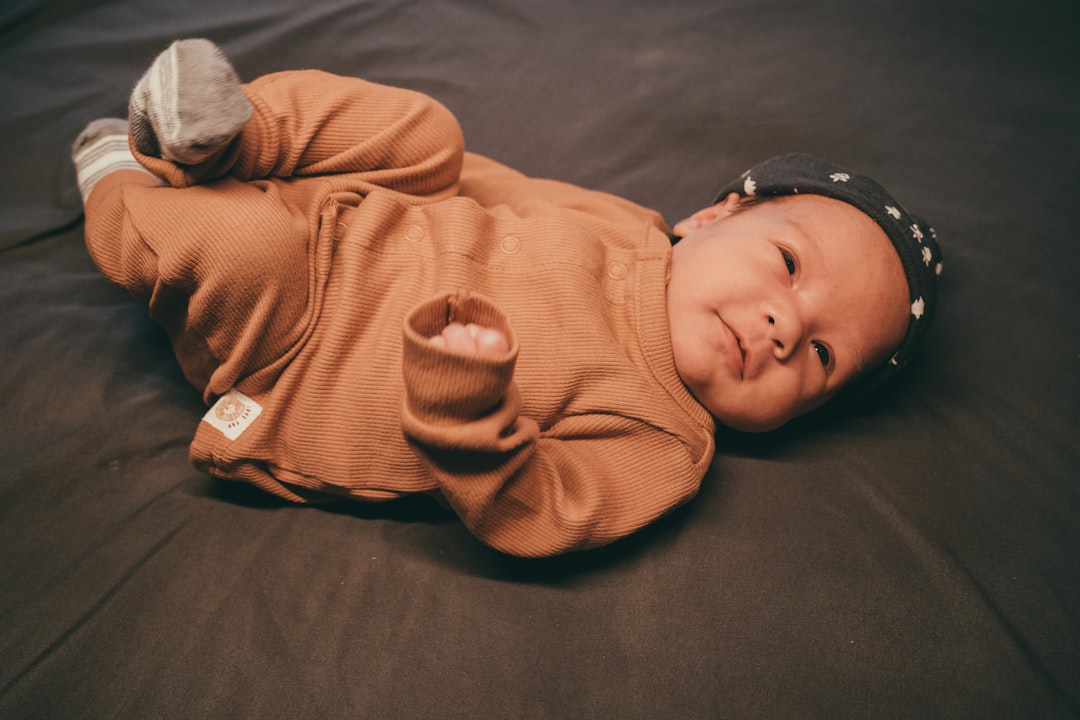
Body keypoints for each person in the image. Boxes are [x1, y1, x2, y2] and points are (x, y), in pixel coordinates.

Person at [71, 39, 942, 557]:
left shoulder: (663, 441)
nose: (786, 326)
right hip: (355, 218)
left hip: (299, 343)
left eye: (825, 357)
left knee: (238, 242)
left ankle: (115, 170)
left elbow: (538, 510)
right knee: (435, 134)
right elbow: (499, 187)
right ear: (713, 216)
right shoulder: (630, 228)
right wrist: (382, 169)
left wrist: (470, 401)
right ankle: (228, 138)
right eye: (787, 265)